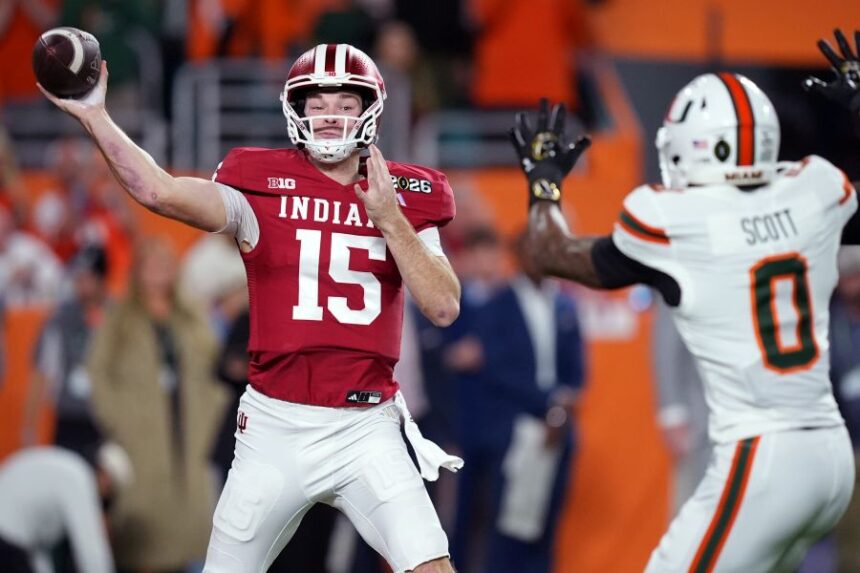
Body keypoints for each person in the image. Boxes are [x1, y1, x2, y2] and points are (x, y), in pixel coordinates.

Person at [40, 42, 463, 573]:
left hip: (366, 426)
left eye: (345, 103)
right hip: (274, 426)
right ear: (297, 110)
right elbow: (159, 192)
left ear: (369, 110)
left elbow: (443, 306)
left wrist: (390, 218)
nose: (330, 115)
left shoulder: (406, 191)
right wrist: (96, 117)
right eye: (317, 103)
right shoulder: (259, 179)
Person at [509, 29, 860, 572]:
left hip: (762, 454)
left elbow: (548, 252)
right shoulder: (813, 190)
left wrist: (544, 184)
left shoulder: (678, 222)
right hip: (831, 456)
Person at [87, 236, 228, 573]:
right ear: (137, 272)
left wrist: (211, 413)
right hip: (139, 435)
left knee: (190, 535)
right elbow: (98, 373)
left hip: (189, 431)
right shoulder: (120, 319)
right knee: (144, 536)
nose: (157, 273)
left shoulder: (190, 317)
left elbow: (214, 366)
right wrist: (118, 419)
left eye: (164, 265)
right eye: (150, 266)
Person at [463, 230, 585, 573]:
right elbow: (498, 370)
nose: (541, 258)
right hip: (513, 427)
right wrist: (549, 403)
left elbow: (577, 369)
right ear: (518, 254)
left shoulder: (565, 304)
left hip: (558, 431)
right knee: (506, 529)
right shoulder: (497, 305)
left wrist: (562, 408)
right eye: (534, 249)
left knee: (546, 526)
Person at [22, 245, 110, 453]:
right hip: (69, 418)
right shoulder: (60, 317)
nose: (82, 284)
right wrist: (29, 425)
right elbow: (41, 371)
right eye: (79, 278)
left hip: (107, 417)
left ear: (101, 278)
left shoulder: (117, 317)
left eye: (88, 277)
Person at [0, 443, 132, 573]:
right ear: (105, 478)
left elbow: (37, 548)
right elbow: (90, 549)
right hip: (7, 542)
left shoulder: (68, 468)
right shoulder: (79, 479)